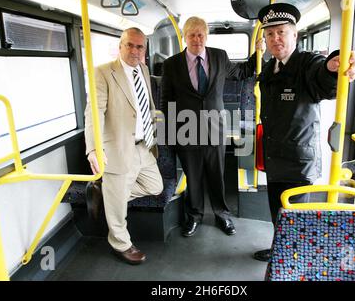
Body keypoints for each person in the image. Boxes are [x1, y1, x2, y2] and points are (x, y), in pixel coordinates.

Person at [252, 3, 355, 261]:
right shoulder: (270, 68)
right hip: (274, 156)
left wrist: (334, 68)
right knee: (277, 212)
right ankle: (280, 247)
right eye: (270, 34)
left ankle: (293, 260)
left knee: (296, 217)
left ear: (294, 35)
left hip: (298, 162)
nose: (275, 38)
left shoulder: (306, 63)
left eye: (281, 32)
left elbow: (322, 77)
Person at [161, 16, 259, 237]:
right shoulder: (172, 64)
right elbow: (165, 101)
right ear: (185, 37)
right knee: (193, 176)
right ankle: (194, 216)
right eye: (192, 34)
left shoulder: (219, 56)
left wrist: (258, 53)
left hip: (215, 128)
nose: (197, 39)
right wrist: (169, 133)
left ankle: (221, 215)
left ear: (206, 35)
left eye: (200, 34)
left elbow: (241, 73)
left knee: (217, 175)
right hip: (185, 130)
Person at [84, 27, 163, 265]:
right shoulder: (103, 72)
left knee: (156, 186)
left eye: (140, 47)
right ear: (120, 46)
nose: (135, 51)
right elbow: (94, 113)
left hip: (143, 146)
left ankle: (105, 193)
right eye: (129, 45)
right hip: (117, 147)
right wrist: (94, 148)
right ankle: (120, 243)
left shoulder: (144, 70)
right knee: (118, 205)